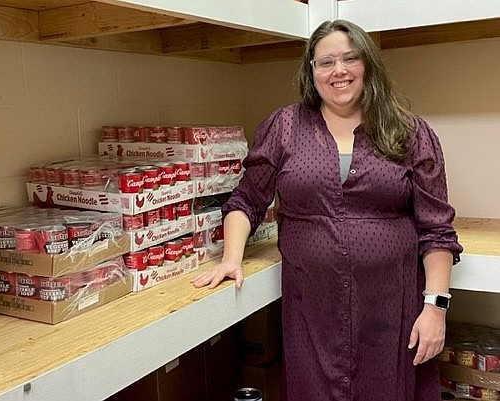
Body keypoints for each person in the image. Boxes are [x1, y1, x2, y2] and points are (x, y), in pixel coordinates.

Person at [191, 19, 463, 401]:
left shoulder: (409, 132)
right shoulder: (284, 126)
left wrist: (435, 309)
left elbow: (436, 230)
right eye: (325, 62)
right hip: (311, 311)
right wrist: (232, 257)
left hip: (392, 308)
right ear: (311, 71)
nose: (339, 71)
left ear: (367, 64)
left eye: (350, 59)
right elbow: (247, 199)